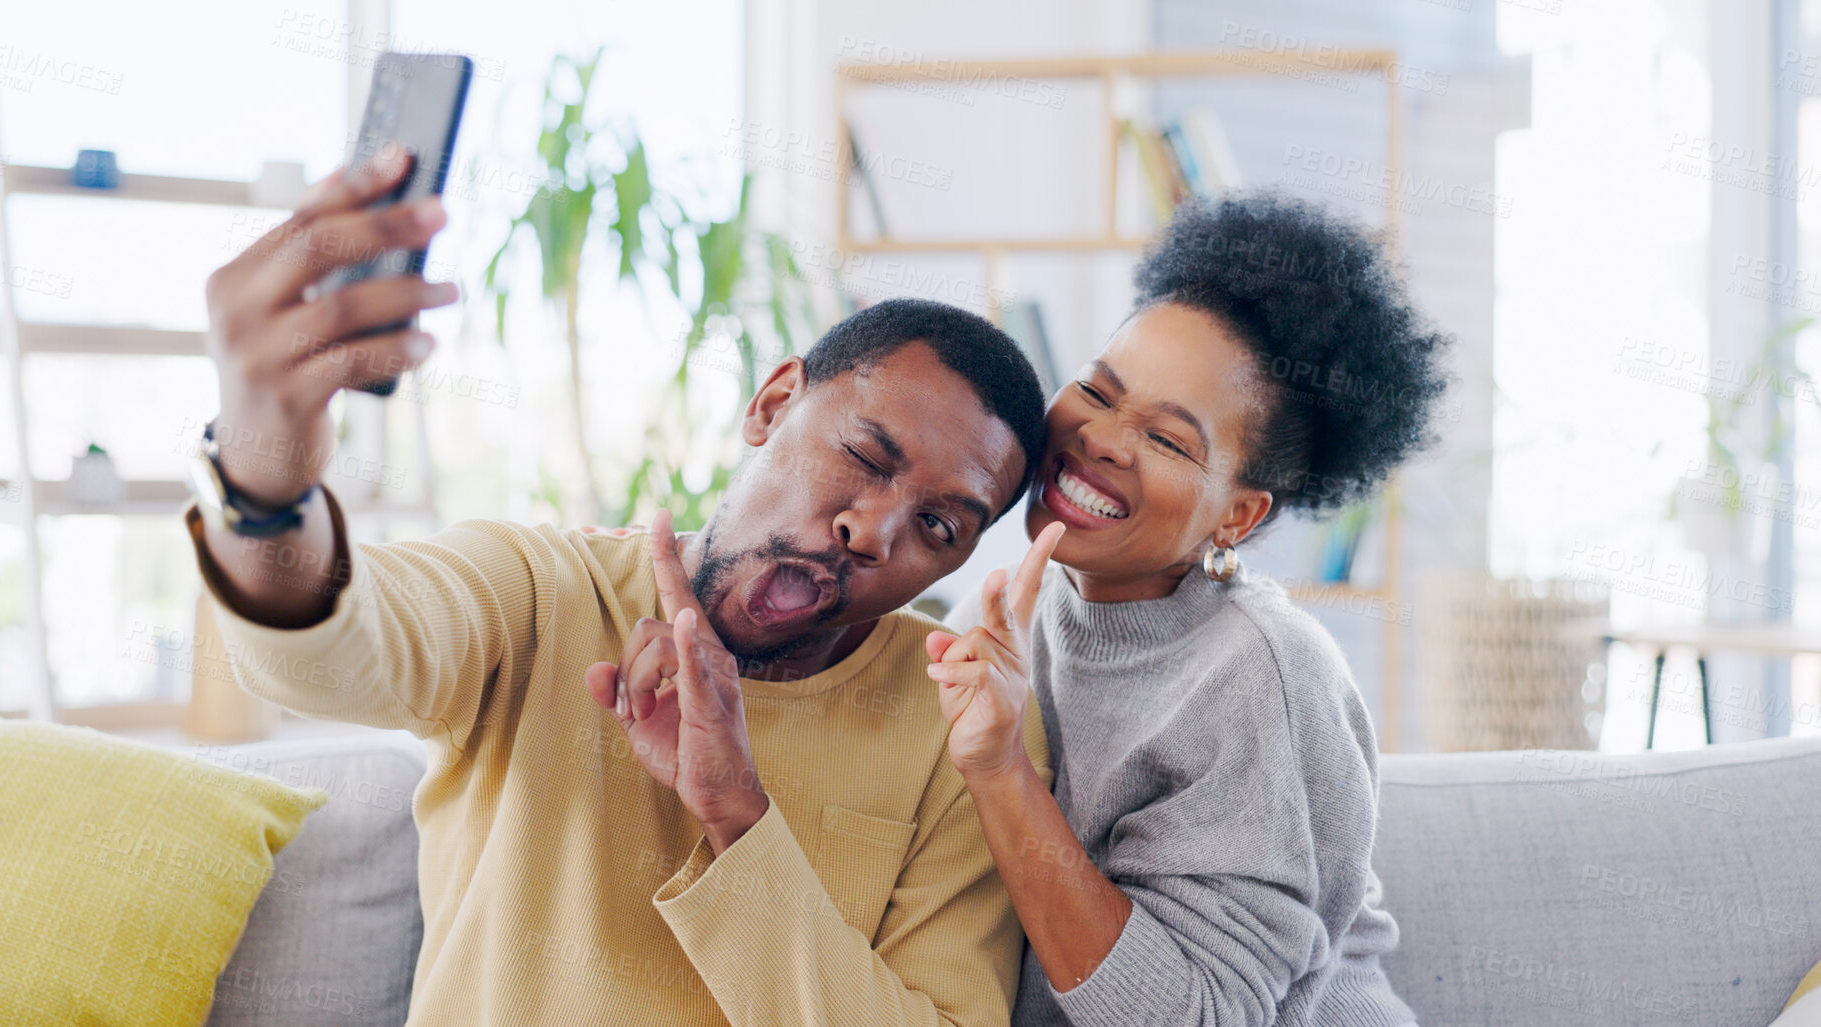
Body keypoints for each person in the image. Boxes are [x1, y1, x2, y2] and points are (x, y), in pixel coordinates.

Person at [187, 141, 1054, 1025]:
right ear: (771, 403)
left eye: (937, 526)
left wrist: (739, 817)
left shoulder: (962, 724)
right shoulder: (537, 591)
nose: (871, 532)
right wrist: (264, 487)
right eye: (864, 456)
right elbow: (320, 657)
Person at [928, 191, 1450, 1026]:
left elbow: (1193, 1014)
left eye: (1169, 441)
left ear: (1238, 515)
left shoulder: (1262, 673)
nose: (1101, 437)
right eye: (1098, 391)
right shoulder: (1003, 616)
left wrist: (1000, 771)